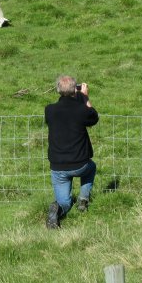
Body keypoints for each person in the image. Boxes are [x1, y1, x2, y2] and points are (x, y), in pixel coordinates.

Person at [44, 75, 99, 229]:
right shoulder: (82, 110)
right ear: (76, 89)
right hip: (80, 163)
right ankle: (83, 200)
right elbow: (93, 117)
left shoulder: (49, 110)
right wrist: (85, 97)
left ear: (58, 90)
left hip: (58, 167)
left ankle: (57, 210)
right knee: (91, 167)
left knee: (64, 202)